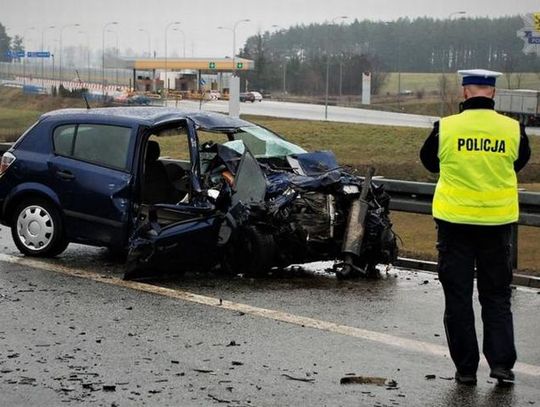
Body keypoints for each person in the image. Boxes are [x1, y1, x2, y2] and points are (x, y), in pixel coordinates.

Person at [420, 69, 531, 385]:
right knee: (496, 296)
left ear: (464, 92)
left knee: (458, 297)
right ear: (493, 94)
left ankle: (466, 370)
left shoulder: (446, 128)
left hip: (455, 225)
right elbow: (518, 162)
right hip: (497, 225)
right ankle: (501, 364)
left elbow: (429, 163)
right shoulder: (513, 129)